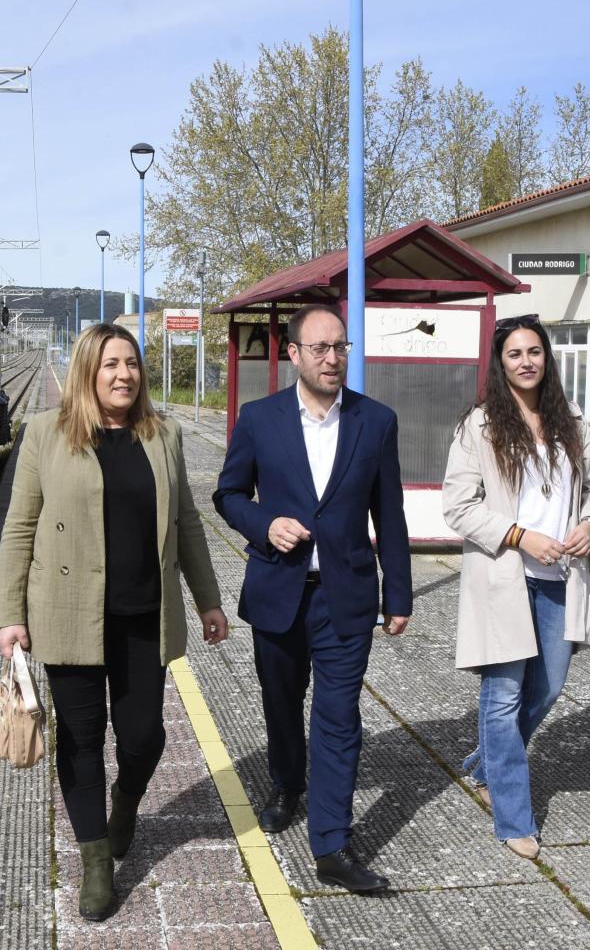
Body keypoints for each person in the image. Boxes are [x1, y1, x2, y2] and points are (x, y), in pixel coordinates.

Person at [0, 323, 229, 921]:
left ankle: (125, 806)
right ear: (86, 373)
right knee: (80, 741)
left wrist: (208, 601)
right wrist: (10, 616)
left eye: (131, 363)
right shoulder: (47, 434)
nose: (123, 374)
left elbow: (188, 525)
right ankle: (96, 863)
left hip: (143, 616)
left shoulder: (164, 435)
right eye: (109, 365)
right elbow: (20, 527)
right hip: (67, 615)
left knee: (145, 737)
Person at [212, 305, 411, 894]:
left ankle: (332, 843)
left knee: (338, 717)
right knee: (281, 703)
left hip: (346, 597)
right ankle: (285, 784)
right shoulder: (260, 419)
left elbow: (390, 515)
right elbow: (227, 494)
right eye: (319, 349)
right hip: (278, 592)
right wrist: (263, 523)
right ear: (293, 354)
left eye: (340, 348)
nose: (332, 359)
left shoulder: (376, 422)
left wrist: (397, 592)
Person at [440, 313, 590, 860]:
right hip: (506, 580)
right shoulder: (481, 426)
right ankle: (513, 815)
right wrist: (519, 535)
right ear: (500, 362)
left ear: (546, 357)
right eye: (515, 354)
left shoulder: (571, 420)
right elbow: (458, 507)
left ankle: (486, 762)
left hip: (561, 579)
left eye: (534, 351)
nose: (527, 362)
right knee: (504, 696)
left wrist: (588, 524)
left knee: (549, 689)